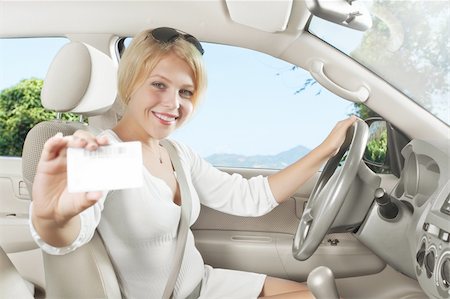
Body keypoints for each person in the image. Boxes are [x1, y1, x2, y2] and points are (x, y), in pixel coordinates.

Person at [30, 27, 357, 299]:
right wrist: (51, 218)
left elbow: (249, 197)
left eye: (186, 92)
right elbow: (72, 233)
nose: (173, 103)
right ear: (130, 83)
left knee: (309, 295)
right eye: (159, 84)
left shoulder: (176, 153)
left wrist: (325, 151)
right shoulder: (108, 153)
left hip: (202, 285)